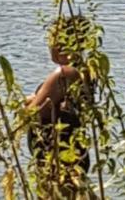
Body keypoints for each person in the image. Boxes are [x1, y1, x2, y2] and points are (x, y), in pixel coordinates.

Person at [25, 15, 91, 185]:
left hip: (58, 159)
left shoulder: (63, 74)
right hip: (73, 155)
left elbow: (30, 114)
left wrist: (25, 105)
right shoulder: (85, 71)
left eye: (52, 38)